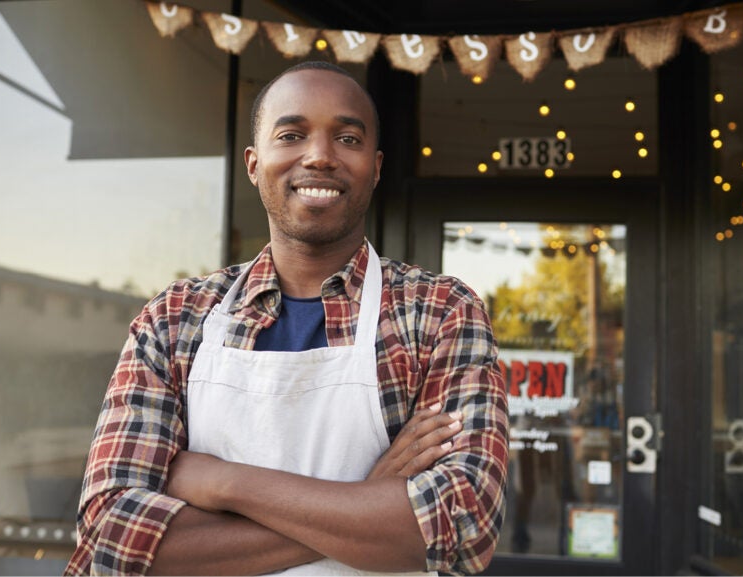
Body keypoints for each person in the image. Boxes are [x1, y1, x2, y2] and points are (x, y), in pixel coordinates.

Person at [64, 61, 509, 576]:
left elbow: (461, 527)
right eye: (292, 134)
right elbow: (112, 535)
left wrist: (226, 482)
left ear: (377, 167)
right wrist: (367, 502)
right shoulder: (174, 318)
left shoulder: (439, 312)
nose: (320, 156)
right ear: (254, 164)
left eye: (347, 137)